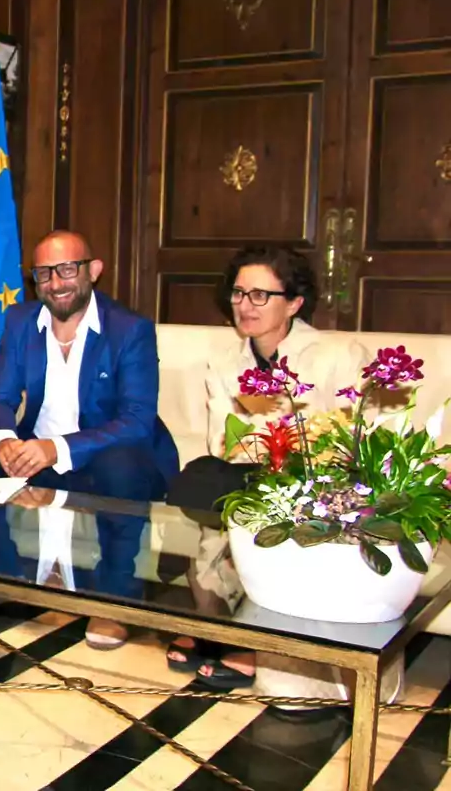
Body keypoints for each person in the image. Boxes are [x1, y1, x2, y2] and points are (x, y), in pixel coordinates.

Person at [0, 230, 179, 649]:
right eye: (44, 273)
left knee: (120, 466)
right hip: (43, 457)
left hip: (107, 459)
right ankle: (0, 579)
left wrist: (56, 448)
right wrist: (4, 442)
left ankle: (114, 604)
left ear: (93, 270)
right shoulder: (21, 322)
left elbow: (137, 421)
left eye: (67, 269)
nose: (56, 283)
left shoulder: (129, 330)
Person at [164, 245, 368, 690]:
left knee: (255, 491)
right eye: (239, 293)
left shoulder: (337, 354)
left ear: (293, 302)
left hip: (319, 483)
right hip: (251, 474)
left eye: (260, 295)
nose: (245, 305)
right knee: (201, 476)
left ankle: (250, 639)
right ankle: (215, 622)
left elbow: (350, 442)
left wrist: (281, 442)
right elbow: (225, 441)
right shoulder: (224, 363)